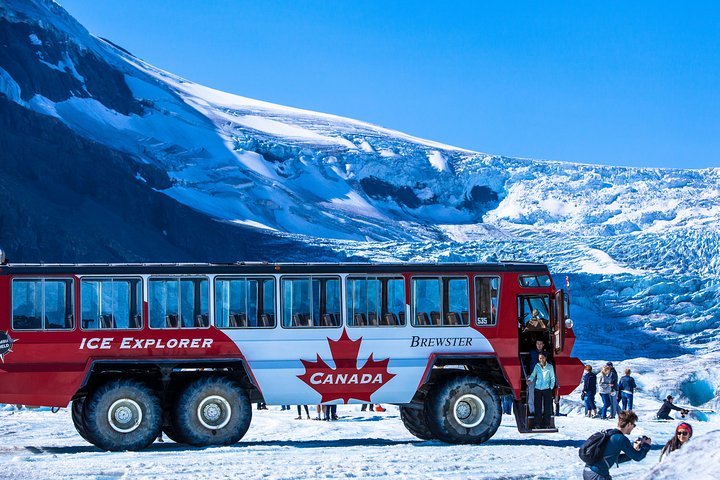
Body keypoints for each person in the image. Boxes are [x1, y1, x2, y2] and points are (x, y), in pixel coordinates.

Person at [582, 410, 652, 480]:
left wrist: (634, 451)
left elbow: (615, 458)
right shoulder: (620, 438)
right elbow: (638, 457)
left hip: (589, 471)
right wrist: (646, 445)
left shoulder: (610, 433)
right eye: (634, 425)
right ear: (629, 424)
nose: (633, 427)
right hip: (598, 475)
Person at [527, 352, 555, 428]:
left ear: (545, 358)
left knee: (547, 407)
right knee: (538, 407)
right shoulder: (537, 366)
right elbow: (533, 375)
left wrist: (551, 387)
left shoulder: (550, 367)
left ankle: (547, 424)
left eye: (542, 358)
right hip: (538, 389)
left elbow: (552, 378)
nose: (541, 359)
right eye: (539, 358)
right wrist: (529, 380)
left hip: (547, 389)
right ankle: (537, 424)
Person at [527, 339, 549, 416]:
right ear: (536, 345)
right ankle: (532, 411)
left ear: (543, 345)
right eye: (537, 344)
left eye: (540, 344)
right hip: (532, 375)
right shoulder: (532, 352)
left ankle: (542, 411)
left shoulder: (546, 353)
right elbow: (527, 362)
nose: (539, 345)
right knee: (532, 393)